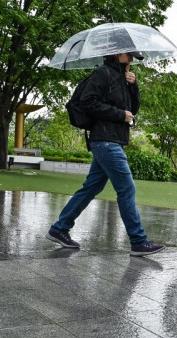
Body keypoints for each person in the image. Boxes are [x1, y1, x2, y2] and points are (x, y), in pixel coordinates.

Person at [46, 52, 165, 257]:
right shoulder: (102, 73)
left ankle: (59, 228)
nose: (131, 61)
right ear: (118, 53)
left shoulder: (123, 78)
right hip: (105, 141)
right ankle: (138, 241)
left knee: (91, 188)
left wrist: (133, 86)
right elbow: (87, 101)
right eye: (129, 56)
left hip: (112, 140)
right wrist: (119, 114)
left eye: (133, 58)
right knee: (127, 189)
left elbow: (132, 110)